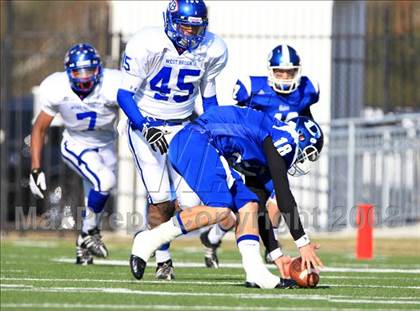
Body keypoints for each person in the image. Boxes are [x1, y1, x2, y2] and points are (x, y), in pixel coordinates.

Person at [129, 105, 324, 288]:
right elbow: (284, 195)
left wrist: (276, 254)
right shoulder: (285, 138)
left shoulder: (267, 149)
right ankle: (149, 240)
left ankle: (255, 272)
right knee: (220, 208)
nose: (303, 160)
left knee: (249, 204)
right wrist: (303, 243)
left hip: (202, 143)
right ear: (300, 137)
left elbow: (262, 207)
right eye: (307, 154)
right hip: (197, 139)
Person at [117, 0, 228, 280]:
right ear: (170, 21)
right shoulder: (147, 44)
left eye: (196, 28)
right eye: (184, 27)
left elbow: (209, 98)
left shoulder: (211, 50)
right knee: (161, 198)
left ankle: (150, 238)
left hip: (183, 127)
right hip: (147, 124)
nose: (190, 34)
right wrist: (144, 126)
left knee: (192, 203)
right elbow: (124, 95)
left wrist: (214, 131)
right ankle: (163, 259)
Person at [200, 44, 320, 267]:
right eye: (279, 72)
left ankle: (270, 249)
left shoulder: (307, 91)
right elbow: (236, 118)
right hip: (249, 155)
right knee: (237, 212)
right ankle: (213, 237)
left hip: (275, 159)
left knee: (272, 205)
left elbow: (305, 119)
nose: (284, 77)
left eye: (289, 72)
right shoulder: (251, 88)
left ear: (298, 71)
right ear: (270, 71)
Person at [29, 43, 121, 265]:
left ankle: (83, 245)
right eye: (79, 72)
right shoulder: (56, 87)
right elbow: (39, 128)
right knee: (106, 181)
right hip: (75, 143)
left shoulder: (112, 83)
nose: (84, 77)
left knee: (97, 195)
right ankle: (88, 234)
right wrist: (35, 168)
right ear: (68, 72)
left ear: (98, 69)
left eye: (89, 71)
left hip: (107, 144)